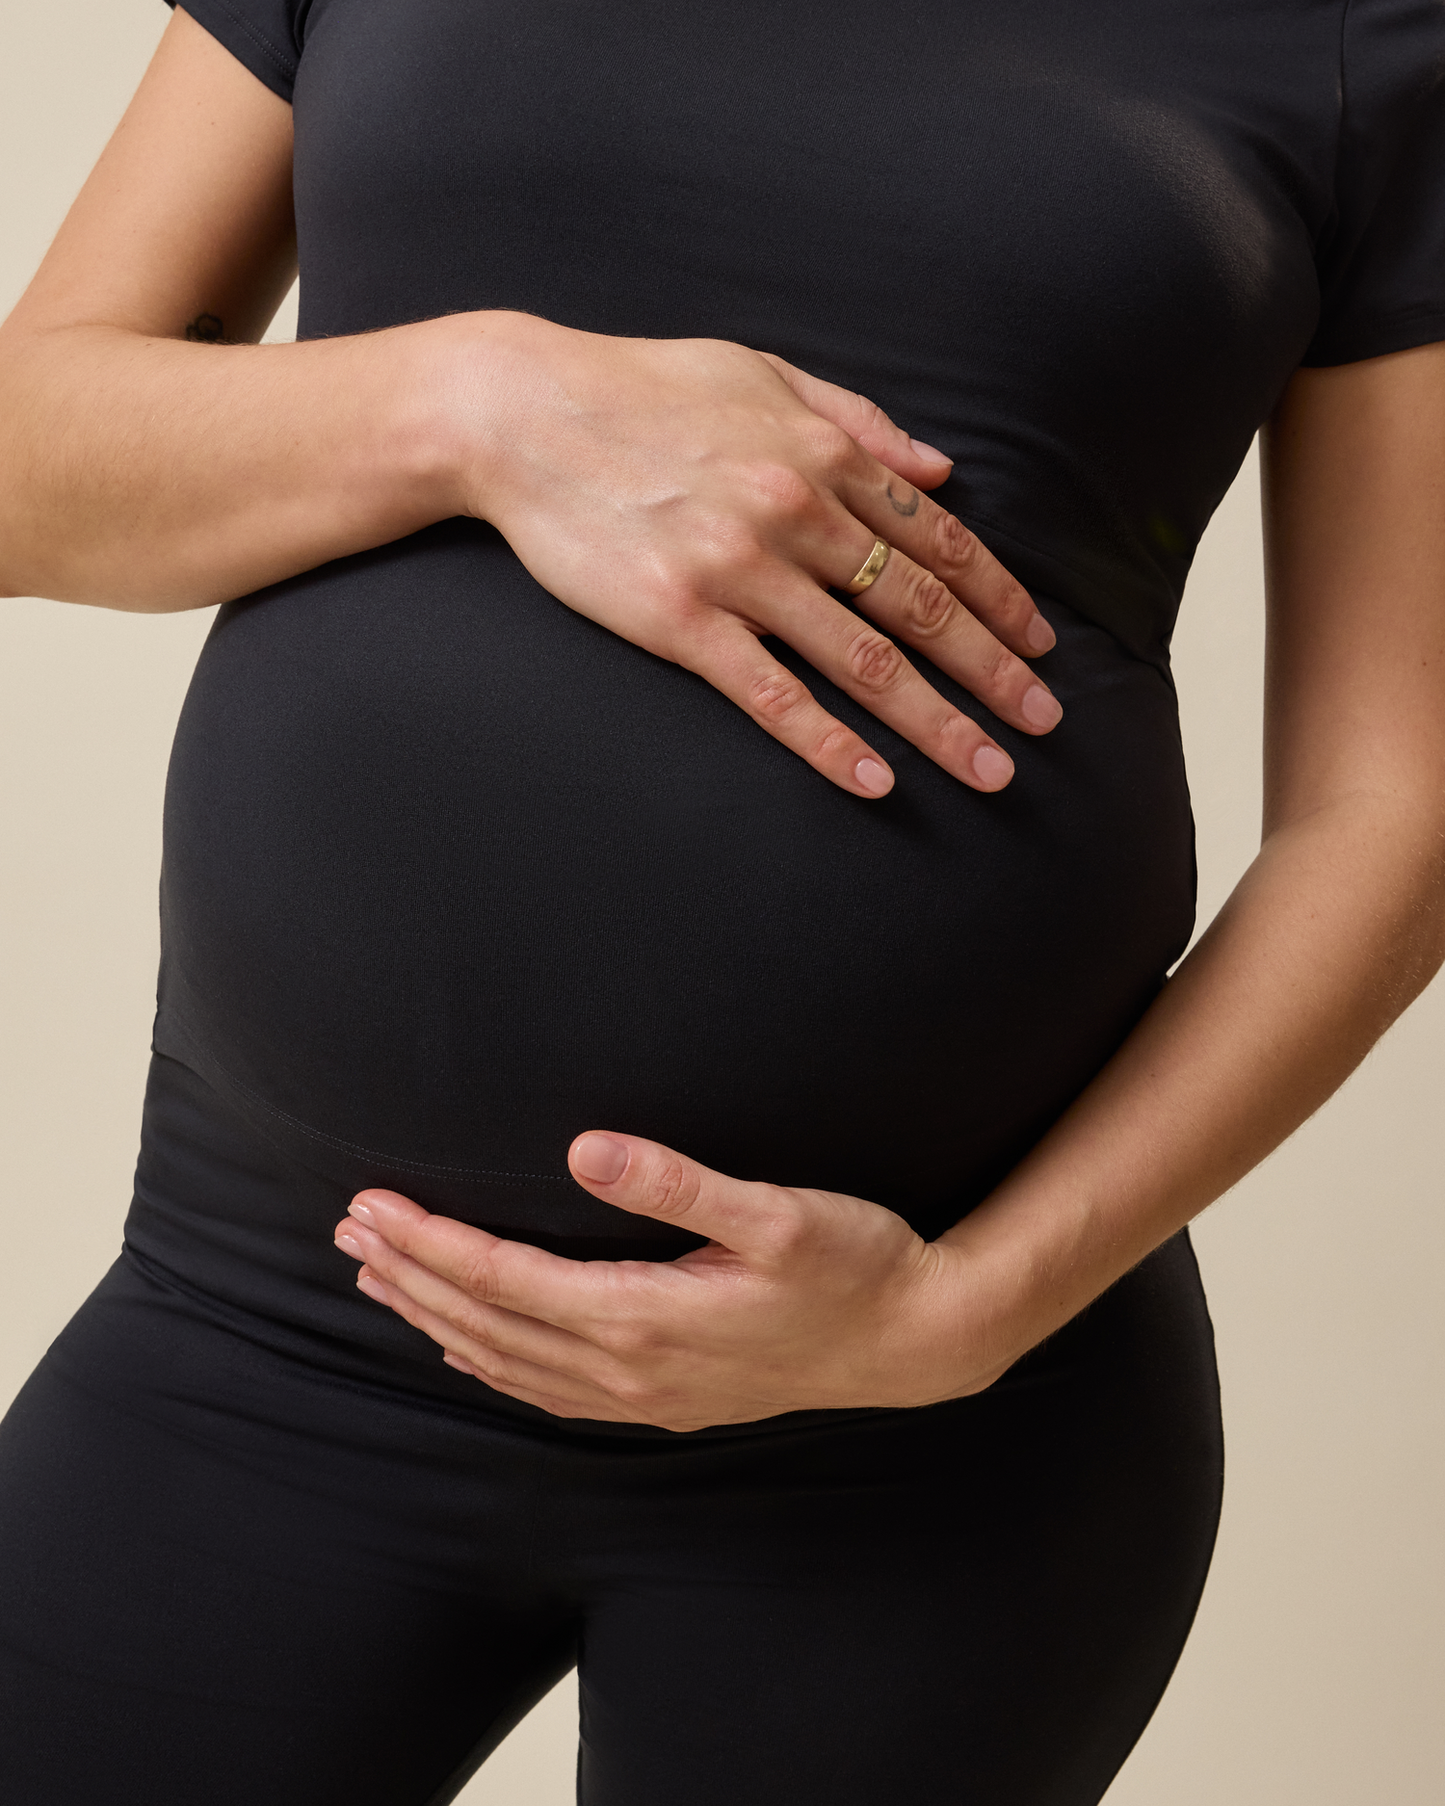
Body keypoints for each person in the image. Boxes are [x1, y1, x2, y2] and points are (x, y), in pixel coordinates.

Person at [2, 2, 1443, 1801]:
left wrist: (961, 1311)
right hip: (269, 1334)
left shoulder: (1367, 36)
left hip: (917, 1450)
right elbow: (23, 456)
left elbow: (1394, 805)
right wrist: (479, 403)